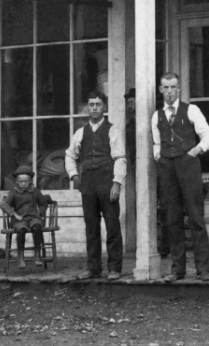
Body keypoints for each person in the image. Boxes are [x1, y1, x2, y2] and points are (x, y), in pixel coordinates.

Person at [151, 72, 209, 282]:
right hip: (167, 168)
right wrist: (159, 156)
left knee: (196, 217)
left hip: (188, 166)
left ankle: (203, 269)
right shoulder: (156, 115)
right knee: (172, 219)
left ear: (179, 89)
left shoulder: (191, 110)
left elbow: (208, 136)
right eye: (166, 88)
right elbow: (157, 143)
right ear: (161, 90)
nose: (170, 92)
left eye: (173, 87)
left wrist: (194, 152)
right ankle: (177, 269)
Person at [65, 91, 127, 280]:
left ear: (104, 107)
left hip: (107, 182)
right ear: (87, 107)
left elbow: (120, 157)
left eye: (98, 104)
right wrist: (75, 176)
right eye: (91, 104)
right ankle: (93, 268)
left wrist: (117, 183)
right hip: (88, 184)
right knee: (91, 227)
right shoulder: (80, 133)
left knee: (112, 225)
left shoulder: (112, 130)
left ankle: (115, 268)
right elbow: (70, 155)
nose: (94, 108)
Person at [0, 165, 54, 269]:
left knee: (37, 228)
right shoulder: (13, 192)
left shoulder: (35, 191)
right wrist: (14, 214)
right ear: (16, 182)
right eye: (21, 181)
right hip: (19, 219)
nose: (23, 184)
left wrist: (41, 212)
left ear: (30, 181)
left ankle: (37, 255)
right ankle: (21, 258)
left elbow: (43, 202)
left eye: (26, 181)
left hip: (33, 217)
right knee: (22, 230)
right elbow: (3, 204)